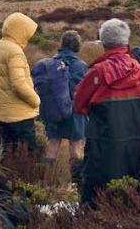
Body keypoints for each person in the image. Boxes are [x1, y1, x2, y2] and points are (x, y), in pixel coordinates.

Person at [73, 19, 140, 206]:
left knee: (97, 197)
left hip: (104, 146)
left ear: (103, 42)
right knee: (131, 195)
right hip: (136, 145)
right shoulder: (138, 68)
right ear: (126, 41)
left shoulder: (97, 71)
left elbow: (78, 105)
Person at [42, 30, 88, 189]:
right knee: (76, 147)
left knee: (53, 144)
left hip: (54, 111)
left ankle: (47, 181)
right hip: (75, 113)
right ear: (77, 45)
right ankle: (77, 184)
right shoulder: (81, 66)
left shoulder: (50, 63)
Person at [0, 12, 40, 153]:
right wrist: (36, 100)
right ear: (19, 30)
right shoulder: (15, 52)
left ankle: (8, 175)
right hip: (20, 115)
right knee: (29, 156)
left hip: (5, 114)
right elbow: (18, 84)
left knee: (9, 155)